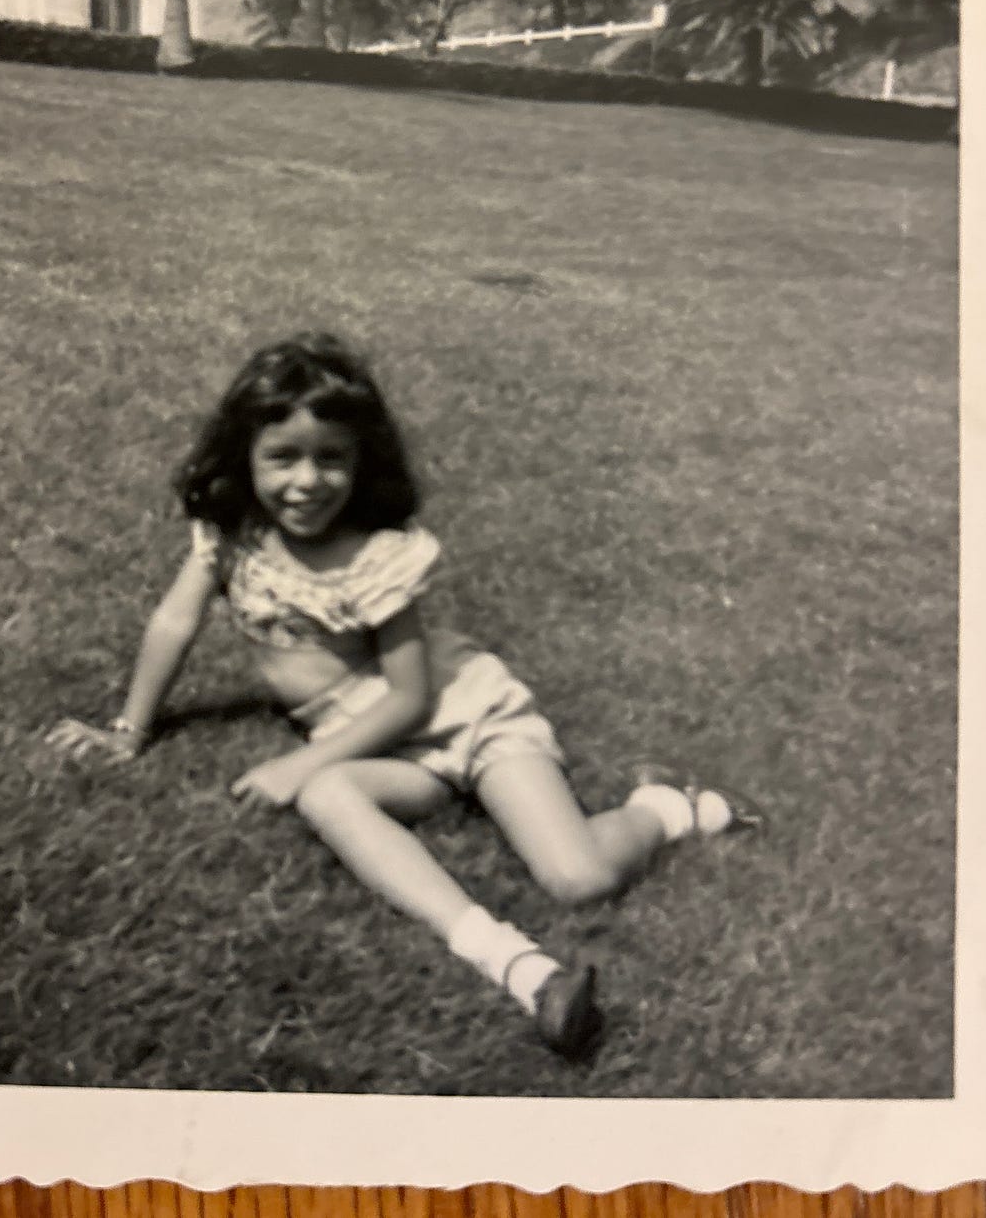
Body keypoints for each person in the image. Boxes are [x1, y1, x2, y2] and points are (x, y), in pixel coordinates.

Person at [49, 332, 759, 1059]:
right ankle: (512, 961)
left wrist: (300, 761)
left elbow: (412, 698)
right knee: (330, 795)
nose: (308, 481)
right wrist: (129, 731)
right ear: (244, 457)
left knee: (577, 877)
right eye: (282, 457)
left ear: (362, 462)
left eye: (332, 457)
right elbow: (175, 619)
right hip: (395, 753)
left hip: (466, 721)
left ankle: (665, 807)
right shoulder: (231, 535)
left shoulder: (376, 556)